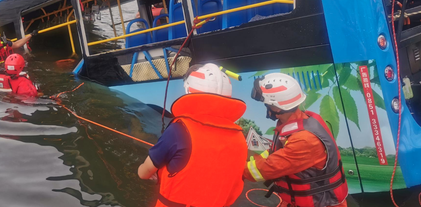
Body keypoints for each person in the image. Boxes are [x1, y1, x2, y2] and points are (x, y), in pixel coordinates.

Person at [137, 63, 248, 207]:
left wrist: (152, 172)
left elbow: (143, 173)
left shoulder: (179, 130)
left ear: (189, 90)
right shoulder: (239, 138)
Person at [245, 73, 348, 207]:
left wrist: (238, 170)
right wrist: (250, 159)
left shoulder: (304, 140)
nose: (266, 107)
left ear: (276, 107)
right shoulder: (299, 121)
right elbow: (276, 155)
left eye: (266, 104)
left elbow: (267, 168)